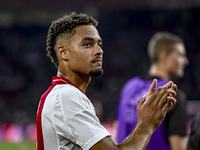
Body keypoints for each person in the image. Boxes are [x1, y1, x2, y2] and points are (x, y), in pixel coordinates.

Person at [36, 12, 177, 150]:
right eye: (87, 44)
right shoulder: (66, 97)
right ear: (63, 53)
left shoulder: (62, 94)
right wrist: (146, 125)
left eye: (99, 44)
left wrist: (142, 123)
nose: (99, 51)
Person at [117, 32, 189, 150]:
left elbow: (118, 129)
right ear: (164, 55)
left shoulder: (128, 87)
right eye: (180, 55)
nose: (185, 61)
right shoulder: (172, 95)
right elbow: (178, 147)